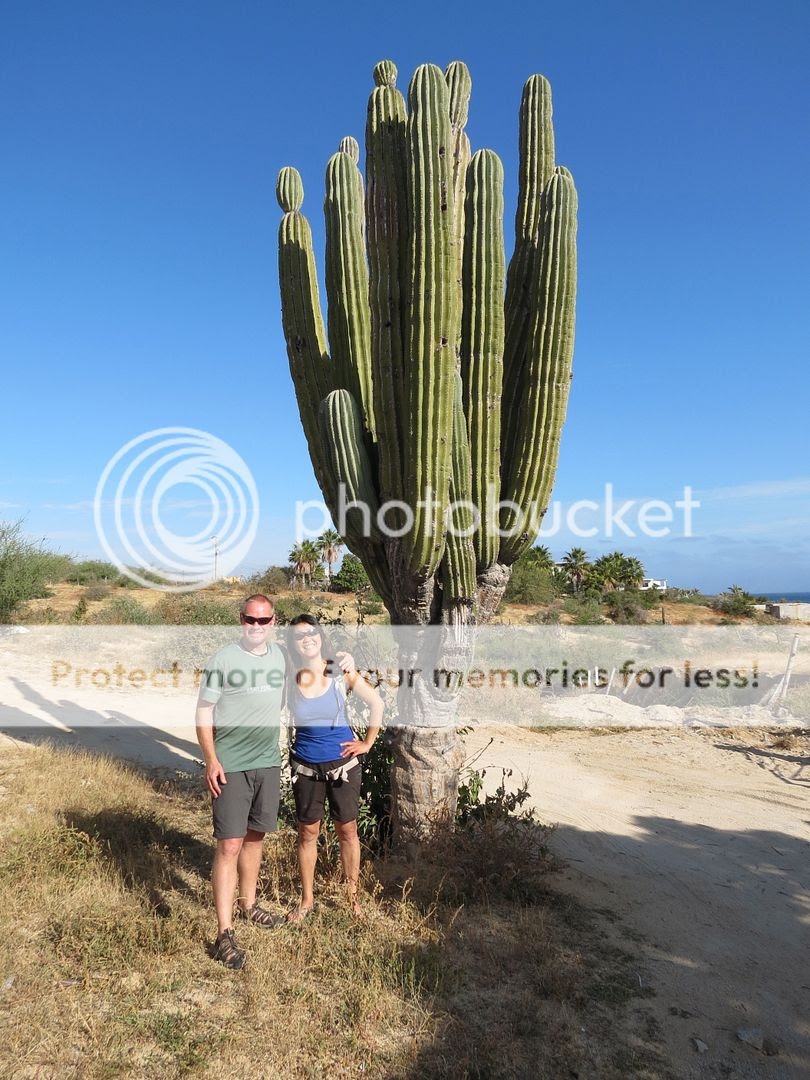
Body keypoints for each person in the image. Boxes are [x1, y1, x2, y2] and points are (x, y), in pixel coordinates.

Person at [195, 594, 353, 969]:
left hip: (267, 762)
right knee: (229, 844)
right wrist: (211, 759)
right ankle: (224, 932)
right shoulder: (223, 660)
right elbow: (203, 713)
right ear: (241, 620)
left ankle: (249, 904)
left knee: (255, 837)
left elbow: (315, 658)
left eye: (263, 620)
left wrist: (344, 658)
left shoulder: (282, 657)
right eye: (250, 619)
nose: (256, 626)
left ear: (273, 622)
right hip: (230, 764)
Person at [285, 614, 383, 921]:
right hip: (306, 767)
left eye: (311, 633)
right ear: (292, 643)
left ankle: (353, 901)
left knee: (348, 830)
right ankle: (306, 901)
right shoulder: (288, 676)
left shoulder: (340, 670)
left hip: (344, 764)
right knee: (307, 833)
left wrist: (367, 743)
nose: (307, 639)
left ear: (320, 635)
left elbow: (376, 703)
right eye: (299, 636)